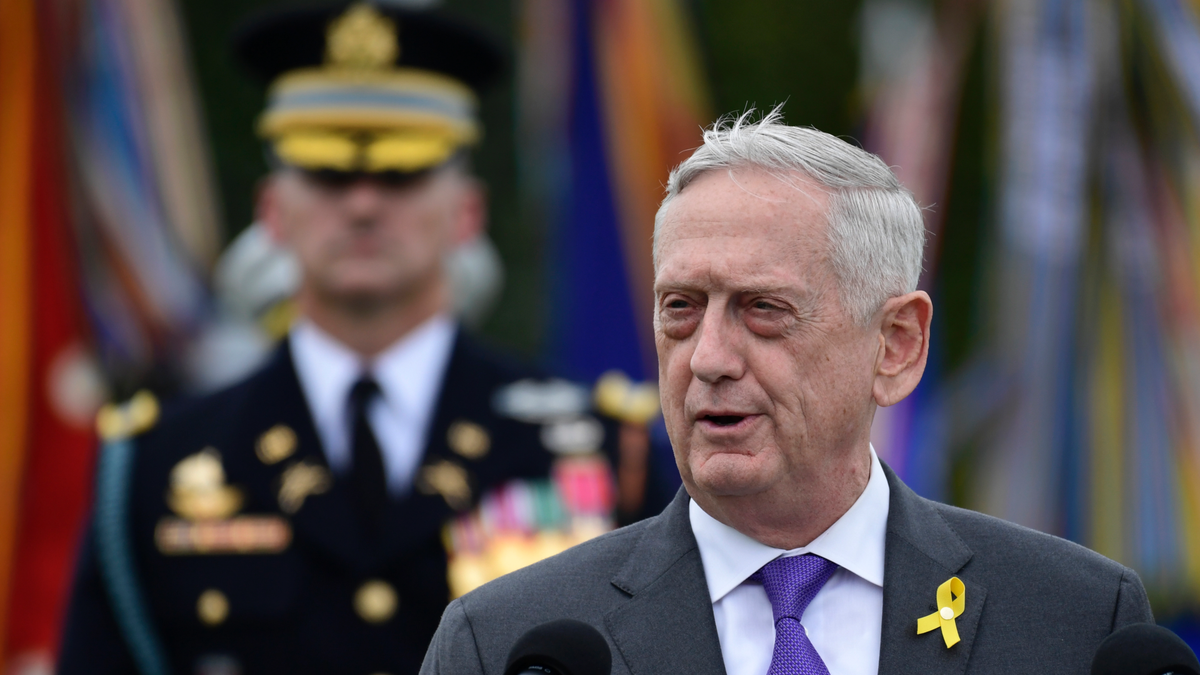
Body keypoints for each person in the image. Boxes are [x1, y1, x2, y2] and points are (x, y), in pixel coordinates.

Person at [419, 110, 1154, 675]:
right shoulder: (510, 642)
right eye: (680, 307)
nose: (706, 358)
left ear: (895, 344)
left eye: (762, 309)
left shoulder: (1076, 620)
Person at [58, 4, 590, 675]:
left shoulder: (593, 453)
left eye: (402, 172)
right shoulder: (153, 469)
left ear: (466, 212)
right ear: (271, 211)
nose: (363, 204)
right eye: (327, 173)